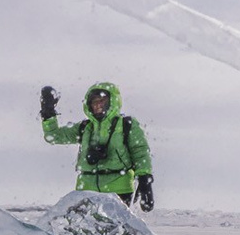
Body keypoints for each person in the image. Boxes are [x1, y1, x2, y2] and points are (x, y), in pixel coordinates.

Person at [39, 82, 154, 211]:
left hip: (119, 190)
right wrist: (48, 113)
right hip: (86, 190)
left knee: (115, 230)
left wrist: (145, 180)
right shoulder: (85, 127)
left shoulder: (127, 125)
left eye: (102, 100)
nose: (97, 105)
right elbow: (53, 136)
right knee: (84, 231)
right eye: (94, 102)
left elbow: (140, 152)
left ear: (112, 101)